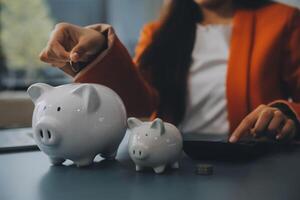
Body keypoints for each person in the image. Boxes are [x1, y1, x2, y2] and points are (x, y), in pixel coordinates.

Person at [39, 0, 300, 143]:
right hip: (172, 162)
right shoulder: (158, 32)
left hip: (254, 167)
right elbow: (137, 103)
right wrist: (97, 49)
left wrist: (287, 113)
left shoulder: (282, 20)